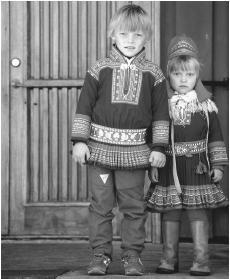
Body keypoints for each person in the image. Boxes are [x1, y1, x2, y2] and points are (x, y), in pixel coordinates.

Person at [71, 4, 169, 276]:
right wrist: (79, 140)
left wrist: (159, 147)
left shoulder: (154, 74)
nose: (130, 41)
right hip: (99, 152)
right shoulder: (99, 69)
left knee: (133, 206)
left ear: (146, 38)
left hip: (136, 154)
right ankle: (100, 255)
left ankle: (132, 256)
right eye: (124, 34)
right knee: (100, 205)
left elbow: (161, 114)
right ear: (112, 35)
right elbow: (84, 107)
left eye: (137, 36)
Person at [146, 35, 228, 276]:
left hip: (197, 168)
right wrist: (153, 160)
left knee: (197, 213)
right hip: (169, 166)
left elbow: (215, 137)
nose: (183, 80)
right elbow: (154, 134)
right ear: (169, 75)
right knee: (170, 212)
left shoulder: (206, 107)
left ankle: (201, 262)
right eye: (177, 74)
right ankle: (168, 260)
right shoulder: (162, 106)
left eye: (189, 75)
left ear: (197, 76)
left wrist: (219, 165)